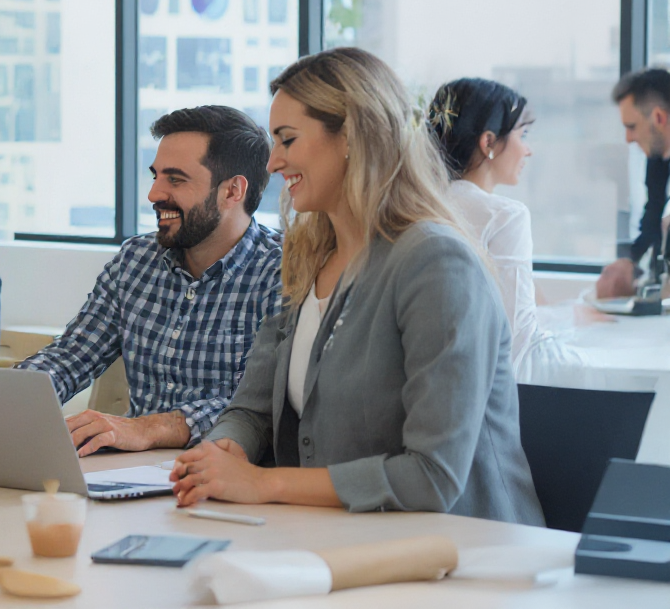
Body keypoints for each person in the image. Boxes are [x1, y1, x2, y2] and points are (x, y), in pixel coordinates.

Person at [171, 48, 542, 526]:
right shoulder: (311, 258)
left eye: (287, 139)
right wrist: (221, 453)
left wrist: (265, 484)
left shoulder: (437, 263)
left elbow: (432, 476)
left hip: (465, 554)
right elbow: (254, 409)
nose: (273, 161)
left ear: (350, 134)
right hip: (349, 537)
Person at [15, 106, 282, 457]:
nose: (153, 194)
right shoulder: (135, 260)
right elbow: (70, 357)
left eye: (175, 179)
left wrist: (151, 427)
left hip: (230, 482)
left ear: (233, 191)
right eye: (155, 176)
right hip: (127, 478)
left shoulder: (283, 272)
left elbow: (263, 407)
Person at [427, 77, 584, 384]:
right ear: (488, 142)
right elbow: (517, 343)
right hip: (486, 395)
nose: (528, 150)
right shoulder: (504, 217)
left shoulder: (419, 204)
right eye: (523, 135)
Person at [599, 68, 670, 297]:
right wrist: (630, 260)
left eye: (632, 127)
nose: (628, 139)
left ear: (659, 118)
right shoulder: (657, 158)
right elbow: (653, 213)